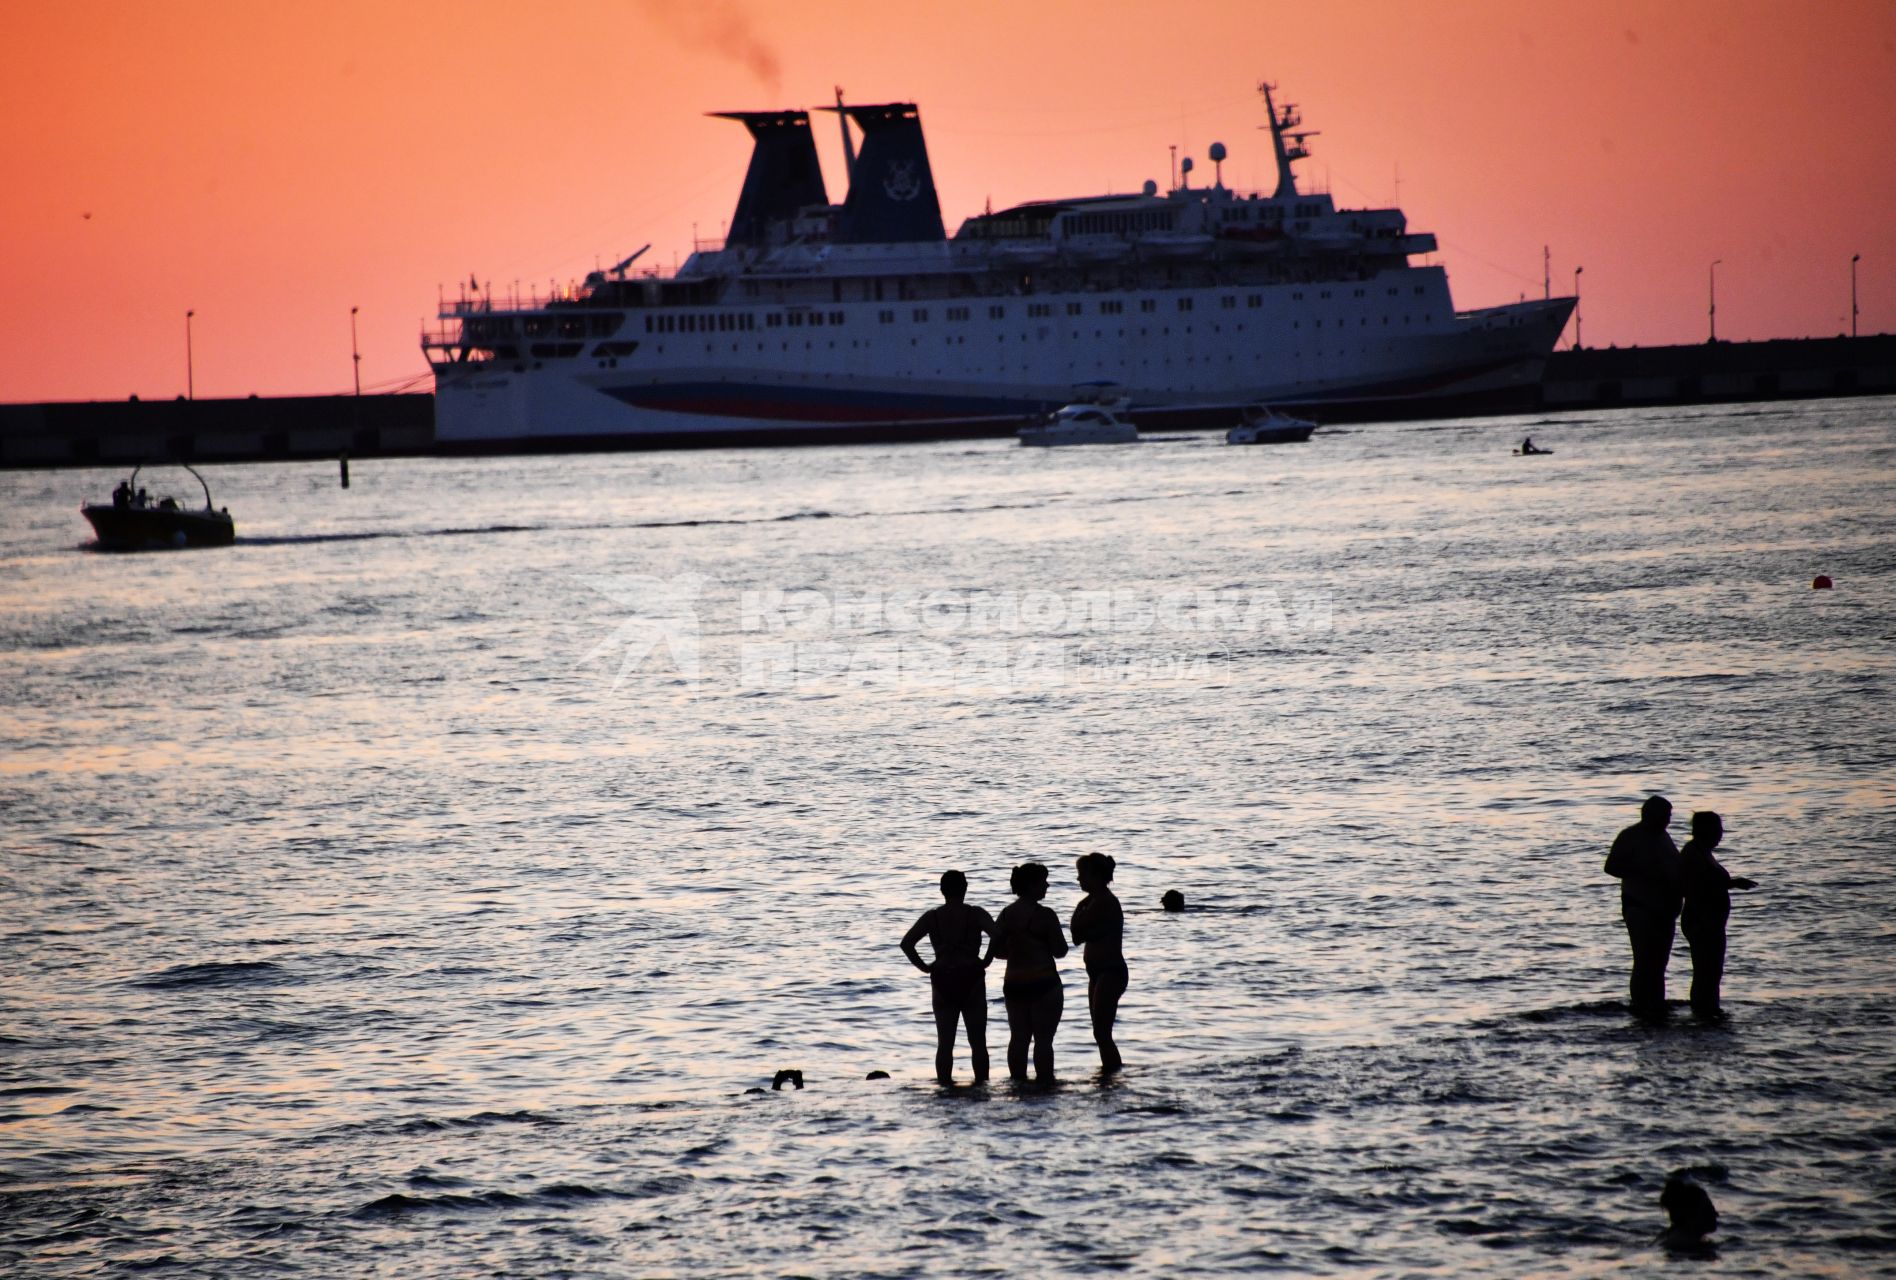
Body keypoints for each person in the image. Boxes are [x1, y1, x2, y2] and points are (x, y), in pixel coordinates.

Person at [900, 870, 996, 1085]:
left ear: (942, 890)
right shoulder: (976, 914)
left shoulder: (932, 917)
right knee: (978, 1042)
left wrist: (924, 967)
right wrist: (986, 960)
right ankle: (982, 1087)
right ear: (965, 888)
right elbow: (997, 935)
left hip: (943, 979)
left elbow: (906, 943)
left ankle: (945, 1088)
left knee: (945, 1043)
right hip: (971, 977)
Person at [1604, 795, 1682, 1017]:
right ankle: (1640, 1005)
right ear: (1649, 815)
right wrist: (1644, 871)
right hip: (1641, 907)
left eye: (1669, 816)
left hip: (1665, 910)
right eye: (1665, 816)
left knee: (1659, 963)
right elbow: (1611, 867)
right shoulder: (1630, 836)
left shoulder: (1664, 837)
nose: (1668, 820)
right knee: (1644, 961)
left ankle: (1657, 1004)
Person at [992, 861, 1068, 1084]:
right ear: (1032, 885)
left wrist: (1016, 950)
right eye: (1043, 882)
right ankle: (1044, 1085)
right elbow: (1060, 950)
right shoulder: (1045, 915)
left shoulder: (1006, 915)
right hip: (1044, 982)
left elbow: (997, 951)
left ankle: (1017, 1085)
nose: (1047, 886)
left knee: (1018, 1039)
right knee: (1043, 1041)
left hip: (1014, 984)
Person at [1677, 811, 1757, 1016]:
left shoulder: (1701, 852)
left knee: (1711, 971)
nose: (1721, 834)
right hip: (1701, 921)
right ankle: (1704, 1011)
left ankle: (1708, 1009)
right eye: (1718, 829)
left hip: (1710, 921)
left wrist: (1731, 884)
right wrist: (1732, 883)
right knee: (1706, 971)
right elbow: (1696, 885)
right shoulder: (1693, 853)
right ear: (1708, 831)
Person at [1070, 853, 1126, 1073]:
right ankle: (1108, 1073)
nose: (1078, 880)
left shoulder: (1102, 902)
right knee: (1099, 1032)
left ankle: (1111, 1073)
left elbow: (1076, 932)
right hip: (1097, 973)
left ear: (1094, 876)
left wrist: (1078, 912)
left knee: (1102, 1032)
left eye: (1081, 875)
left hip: (1110, 971)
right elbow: (1078, 935)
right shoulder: (1092, 901)